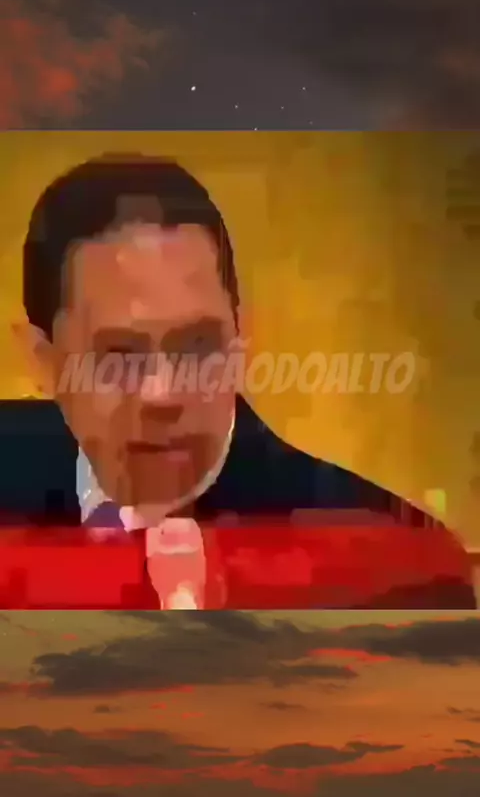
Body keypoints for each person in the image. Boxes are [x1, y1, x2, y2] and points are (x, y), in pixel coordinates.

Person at [0, 153, 474, 608]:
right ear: (44, 363)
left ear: (241, 336)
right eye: (118, 356)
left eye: (198, 346)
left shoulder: (393, 564)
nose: (163, 393)